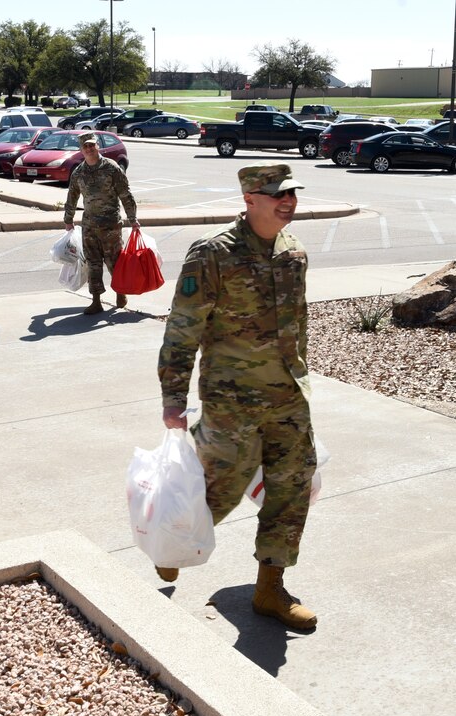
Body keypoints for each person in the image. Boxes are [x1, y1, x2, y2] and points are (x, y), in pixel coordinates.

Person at [157, 164, 318, 630]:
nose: (287, 201)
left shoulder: (294, 253)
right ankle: (173, 544)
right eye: (276, 194)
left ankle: (270, 587)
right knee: (220, 490)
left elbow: (298, 328)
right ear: (250, 199)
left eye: (291, 193)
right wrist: (174, 398)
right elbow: (182, 329)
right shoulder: (213, 254)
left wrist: (301, 380)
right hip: (231, 399)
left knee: (292, 488)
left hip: (288, 395)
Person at [62, 132, 139, 315]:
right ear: (81, 150)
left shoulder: (111, 168)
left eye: (91, 145)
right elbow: (72, 197)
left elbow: (125, 194)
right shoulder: (79, 172)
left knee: (114, 262)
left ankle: (120, 292)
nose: (89, 149)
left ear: (97, 146)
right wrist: (68, 219)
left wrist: (133, 218)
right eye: (85, 146)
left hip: (111, 225)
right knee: (93, 263)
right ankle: (96, 300)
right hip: (89, 225)